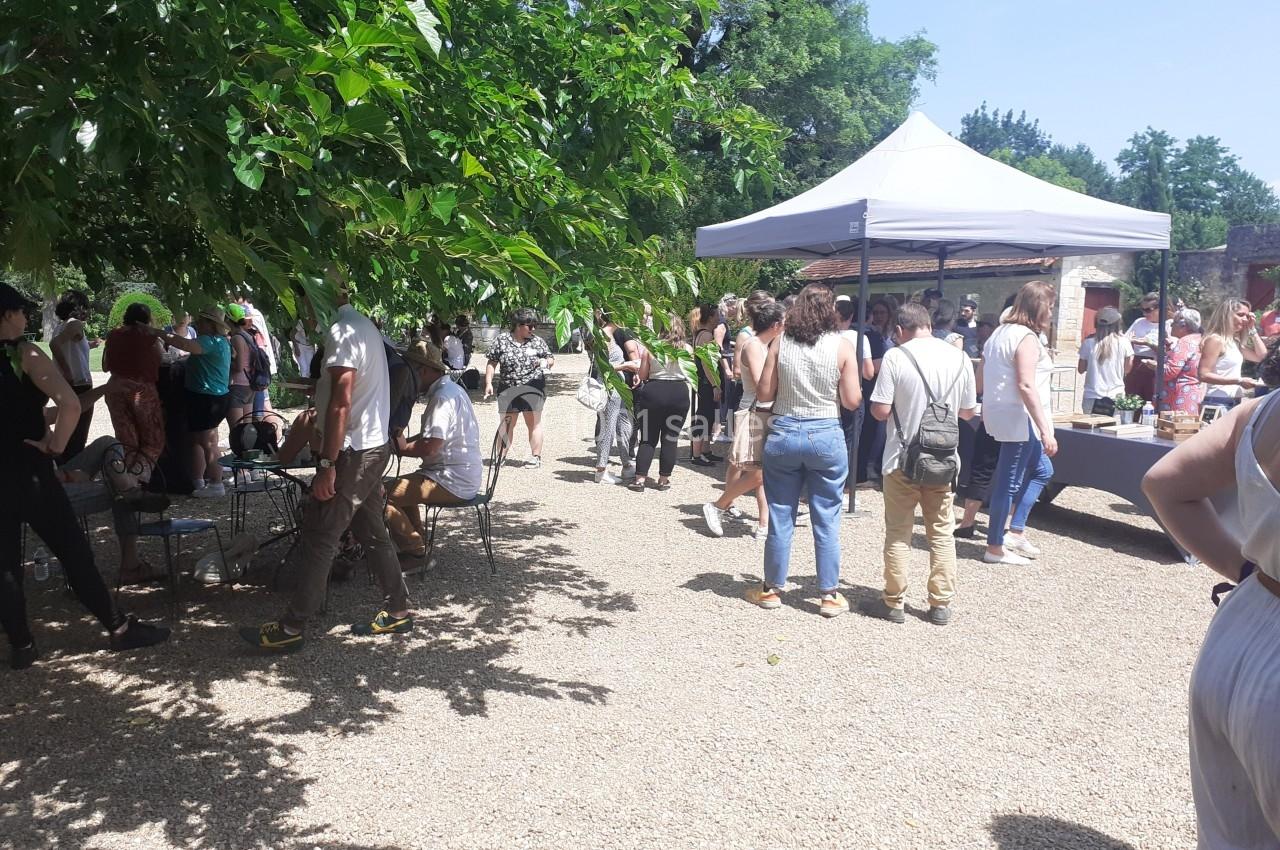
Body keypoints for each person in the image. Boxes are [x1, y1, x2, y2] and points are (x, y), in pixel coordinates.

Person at [1142, 344, 1280, 849]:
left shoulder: (1262, 410)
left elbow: (1165, 482)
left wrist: (1244, 567)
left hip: (1243, 622)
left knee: (1229, 836)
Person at [0, 283, 169, 670]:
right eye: (21, 312)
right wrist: (55, 447)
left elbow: (32, 414)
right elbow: (69, 404)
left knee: (5, 564)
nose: (26, 318)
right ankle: (119, 627)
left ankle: (22, 644)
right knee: (74, 552)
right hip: (30, 473)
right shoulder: (25, 354)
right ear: (8, 314)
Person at [241, 284, 413, 651]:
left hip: (353, 452)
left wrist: (327, 464)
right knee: (371, 530)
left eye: (301, 300)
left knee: (321, 534)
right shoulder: (361, 324)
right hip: (369, 448)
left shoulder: (343, 332)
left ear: (316, 297)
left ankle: (291, 628)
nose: (301, 311)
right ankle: (398, 609)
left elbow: (340, 404)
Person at [748, 285, 862, 618]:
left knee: (780, 515)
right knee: (826, 517)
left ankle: (771, 589)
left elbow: (766, 392)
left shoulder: (781, 343)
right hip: (825, 431)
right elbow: (852, 400)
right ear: (832, 312)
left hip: (784, 431)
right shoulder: (841, 346)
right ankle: (829, 594)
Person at [865, 303, 977, 625]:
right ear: (928, 324)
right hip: (943, 460)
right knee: (941, 532)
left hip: (902, 457)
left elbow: (881, 411)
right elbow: (968, 412)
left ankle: (894, 601)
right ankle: (940, 603)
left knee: (898, 532)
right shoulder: (960, 357)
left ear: (900, 331)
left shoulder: (896, 356)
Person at [384, 341, 482, 566]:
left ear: (424, 370)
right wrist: (405, 443)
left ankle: (415, 552)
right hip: (460, 476)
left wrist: (399, 447)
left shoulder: (442, 398)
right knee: (400, 486)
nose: (407, 379)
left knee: (379, 495)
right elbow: (432, 437)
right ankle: (419, 540)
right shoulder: (453, 390)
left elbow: (430, 446)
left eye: (409, 371)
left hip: (451, 480)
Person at [981, 281, 1058, 566]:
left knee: (1042, 470)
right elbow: (1026, 384)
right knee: (1008, 482)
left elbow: (984, 371)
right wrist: (1045, 430)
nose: (1051, 312)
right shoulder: (1025, 337)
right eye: (1049, 307)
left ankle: (1014, 530)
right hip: (1019, 415)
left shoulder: (1000, 333)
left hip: (1006, 412)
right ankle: (995, 546)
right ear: (1038, 307)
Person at [700, 298, 783, 540]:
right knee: (756, 470)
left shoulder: (767, 345)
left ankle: (764, 523)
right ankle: (720, 505)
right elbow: (760, 385)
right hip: (755, 411)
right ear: (776, 324)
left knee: (760, 471)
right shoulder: (754, 346)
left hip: (764, 411)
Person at [155, 306, 232, 498]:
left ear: (210, 324)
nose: (198, 323)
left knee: (208, 442)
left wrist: (158, 334)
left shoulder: (208, 341)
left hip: (207, 398)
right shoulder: (220, 341)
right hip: (210, 396)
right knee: (198, 440)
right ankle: (199, 479)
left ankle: (216, 483)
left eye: (202, 320)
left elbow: (185, 345)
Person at [102, 302, 165, 480]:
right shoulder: (149, 337)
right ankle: (138, 477)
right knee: (153, 439)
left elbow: (106, 365)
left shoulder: (113, 335)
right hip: (141, 389)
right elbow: (160, 359)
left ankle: (123, 479)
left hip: (115, 387)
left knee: (126, 439)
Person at [629, 315, 691, 492]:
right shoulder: (687, 349)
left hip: (655, 391)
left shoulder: (652, 348)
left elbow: (642, 376)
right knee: (670, 438)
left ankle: (640, 479)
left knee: (648, 438)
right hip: (679, 392)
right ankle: (663, 479)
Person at [485, 309, 553, 469]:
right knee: (507, 424)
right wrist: (488, 383)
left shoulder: (538, 342)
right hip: (508, 388)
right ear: (517, 325)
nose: (533, 329)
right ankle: (500, 456)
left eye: (534, 325)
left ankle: (536, 457)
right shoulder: (501, 340)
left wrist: (546, 362)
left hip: (533, 388)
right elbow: (492, 362)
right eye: (530, 326)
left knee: (534, 423)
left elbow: (550, 358)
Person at [49, 291, 97, 463]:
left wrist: (89, 345)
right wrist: (67, 370)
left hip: (65, 386)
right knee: (78, 434)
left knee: (68, 430)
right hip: (78, 384)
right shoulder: (75, 323)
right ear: (79, 307)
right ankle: (72, 474)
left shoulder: (60, 326)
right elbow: (54, 345)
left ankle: (63, 469)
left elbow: (69, 347)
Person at [593, 314, 641, 484]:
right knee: (608, 427)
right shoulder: (603, 336)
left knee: (624, 424)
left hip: (617, 386)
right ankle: (601, 469)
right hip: (609, 385)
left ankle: (627, 464)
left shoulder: (609, 335)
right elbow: (602, 366)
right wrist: (626, 366)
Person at [1199, 298, 1268, 411]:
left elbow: (1263, 357)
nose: (1245, 319)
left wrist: (1252, 330)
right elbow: (1203, 374)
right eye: (1240, 315)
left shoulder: (1234, 342)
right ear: (1227, 315)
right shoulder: (1216, 340)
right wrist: (1239, 381)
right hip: (1217, 401)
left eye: (1247, 316)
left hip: (1233, 402)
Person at [1077, 307, 1134, 414]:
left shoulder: (1088, 343)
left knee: (1089, 429)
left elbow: (1081, 369)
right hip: (1115, 395)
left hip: (1092, 395)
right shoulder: (1125, 343)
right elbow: (1127, 369)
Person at [689, 304, 722, 465]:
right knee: (703, 416)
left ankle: (705, 450)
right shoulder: (707, 336)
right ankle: (697, 454)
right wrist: (715, 384)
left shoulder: (700, 334)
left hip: (703, 382)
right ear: (710, 317)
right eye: (716, 315)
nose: (718, 318)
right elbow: (707, 363)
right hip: (705, 383)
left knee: (707, 416)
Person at [1124, 292, 1168, 401]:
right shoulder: (1139, 322)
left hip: (1155, 365)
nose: (1145, 313)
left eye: (1148, 310)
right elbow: (1126, 339)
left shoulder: (1168, 325)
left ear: (1159, 309)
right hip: (1136, 363)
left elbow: (1168, 352)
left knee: (1152, 402)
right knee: (1132, 401)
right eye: (1143, 310)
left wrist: (1148, 344)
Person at [1162, 308, 1204, 415]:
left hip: (1179, 396)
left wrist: (1155, 366)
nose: (1171, 326)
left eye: (1173, 323)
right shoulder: (1199, 339)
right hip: (1194, 394)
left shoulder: (1184, 342)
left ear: (1183, 325)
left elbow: (1170, 372)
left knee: (1176, 428)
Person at [224, 303, 256, 427]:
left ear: (228, 320)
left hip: (237, 385)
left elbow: (239, 366)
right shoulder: (249, 336)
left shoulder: (236, 338)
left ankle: (240, 447)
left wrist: (225, 363)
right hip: (250, 384)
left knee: (237, 429)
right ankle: (249, 447)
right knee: (247, 429)